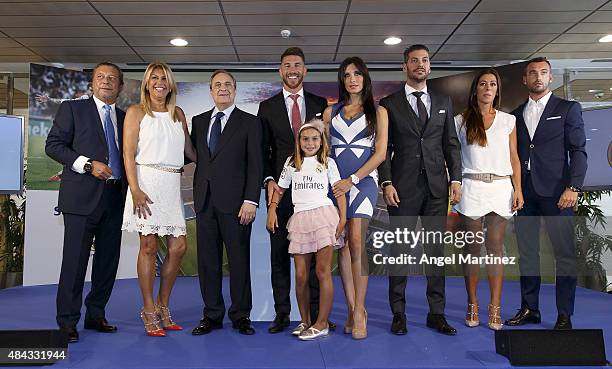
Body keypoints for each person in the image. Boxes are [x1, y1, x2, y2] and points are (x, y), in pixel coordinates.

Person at [378, 44, 462, 336]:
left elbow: (451, 143)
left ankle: (436, 313)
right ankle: (398, 313)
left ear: (429, 66)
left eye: (425, 60)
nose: (420, 65)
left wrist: (456, 179)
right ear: (405, 67)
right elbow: (384, 150)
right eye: (414, 61)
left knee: (435, 252)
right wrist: (386, 182)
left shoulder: (443, 101)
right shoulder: (389, 104)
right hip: (401, 189)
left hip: (437, 189)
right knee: (400, 251)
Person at [45, 62, 126, 343]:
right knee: (75, 262)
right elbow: (53, 145)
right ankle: (67, 321)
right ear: (92, 83)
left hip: (116, 198)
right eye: (100, 77)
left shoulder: (127, 118)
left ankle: (96, 315)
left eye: (112, 78)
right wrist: (88, 164)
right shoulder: (73, 109)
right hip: (80, 199)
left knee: (107, 262)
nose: (106, 82)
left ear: (120, 86)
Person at [505, 57, 587, 330]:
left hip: (558, 194)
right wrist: (515, 189)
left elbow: (578, 152)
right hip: (525, 195)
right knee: (528, 254)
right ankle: (530, 308)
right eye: (532, 73)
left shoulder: (567, 108)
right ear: (524, 80)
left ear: (550, 77)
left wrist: (573, 187)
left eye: (543, 73)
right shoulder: (514, 115)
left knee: (564, 255)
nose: (538, 77)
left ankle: (565, 314)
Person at [258, 47, 331, 333]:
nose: (292, 69)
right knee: (279, 256)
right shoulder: (267, 107)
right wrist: (268, 181)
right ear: (280, 70)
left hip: (312, 197)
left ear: (305, 70)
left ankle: (316, 315)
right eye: (287, 65)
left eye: (297, 65)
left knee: (315, 261)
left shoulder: (319, 102)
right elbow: (263, 151)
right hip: (281, 189)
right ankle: (282, 314)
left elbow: (326, 149)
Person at [121, 63, 196, 337]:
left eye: (164, 78)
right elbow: (128, 154)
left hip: (171, 184)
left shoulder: (178, 113)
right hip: (146, 183)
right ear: (146, 83)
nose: (159, 83)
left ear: (171, 84)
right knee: (149, 246)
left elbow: (190, 151)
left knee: (178, 247)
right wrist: (135, 189)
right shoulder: (135, 112)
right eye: (154, 78)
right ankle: (149, 308)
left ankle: (164, 304)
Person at [191, 70, 263, 336]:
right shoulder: (198, 122)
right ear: (211, 91)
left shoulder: (250, 123)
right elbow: (197, 159)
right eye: (217, 85)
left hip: (236, 205)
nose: (222, 89)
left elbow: (256, 165)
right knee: (207, 263)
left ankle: (241, 315)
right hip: (205, 203)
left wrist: (251, 200)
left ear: (235, 90)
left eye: (227, 85)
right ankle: (212, 315)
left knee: (238, 261)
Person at [323, 56, 388, 340]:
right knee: (343, 247)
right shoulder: (330, 113)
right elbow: (324, 153)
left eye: (357, 74)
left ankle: (361, 310)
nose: (352, 79)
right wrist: (338, 182)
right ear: (342, 79)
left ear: (365, 78)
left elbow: (381, 154)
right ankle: (350, 308)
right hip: (336, 187)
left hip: (362, 184)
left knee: (357, 242)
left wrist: (354, 180)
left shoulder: (378, 112)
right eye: (347, 74)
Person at [453, 69, 523, 330]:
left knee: (495, 249)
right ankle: (473, 304)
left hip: (501, 187)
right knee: (472, 250)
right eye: (483, 84)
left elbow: (514, 157)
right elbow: (455, 156)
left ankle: (495, 307)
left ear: (497, 90)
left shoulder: (508, 121)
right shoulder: (460, 120)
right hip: (471, 187)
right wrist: (455, 183)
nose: (487, 88)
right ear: (475, 89)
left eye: (492, 84)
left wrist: (518, 189)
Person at [267, 120, 347, 340]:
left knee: (322, 272)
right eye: (305, 139)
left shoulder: (328, 162)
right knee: (301, 275)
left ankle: (321, 323)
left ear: (321, 142)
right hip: (300, 220)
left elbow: (339, 191)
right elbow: (280, 189)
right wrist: (272, 209)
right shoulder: (291, 162)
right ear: (298, 141)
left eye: (315, 139)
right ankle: (305, 320)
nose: (310, 143)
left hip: (323, 218)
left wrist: (343, 219)